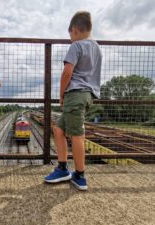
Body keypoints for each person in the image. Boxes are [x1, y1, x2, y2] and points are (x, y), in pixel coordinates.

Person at [45, 11, 102, 190]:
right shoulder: (97, 48)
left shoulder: (76, 46)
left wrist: (61, 95)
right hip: (87, 95)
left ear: (75, 30)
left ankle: (80, 175)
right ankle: (63, 167)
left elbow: (67, 73)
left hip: (75, 94)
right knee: (59, 129)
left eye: (70, 34)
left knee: (77, 135)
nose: (70, 38)